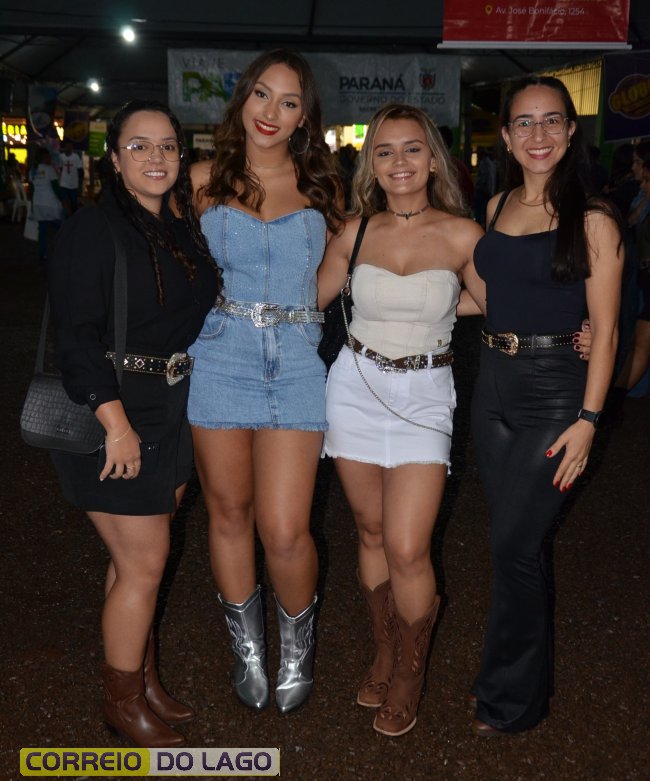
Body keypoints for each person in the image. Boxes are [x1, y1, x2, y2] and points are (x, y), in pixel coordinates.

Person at [47, 100, 222, 746]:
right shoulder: (94, 229)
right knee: (146, 561)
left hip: (169, 405)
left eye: (168, 146)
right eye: (139, 146)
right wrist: (115, 423)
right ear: (114, 160)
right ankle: (122, 701)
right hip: (113, 409)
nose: (156, 157)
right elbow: (76, 337)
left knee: (132, 562)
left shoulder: (177, 227)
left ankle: (140, 681)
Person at [317, 103, 487, 737]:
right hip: (354, 387)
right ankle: (385, 652)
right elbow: (306, 300)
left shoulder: (464, 234)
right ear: (372, 164)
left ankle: (410, 673)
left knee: (408, 546)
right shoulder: (353, 232)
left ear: (433, 158)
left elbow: (502, 303)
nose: (399, 162)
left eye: (412, 148)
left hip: (424, 395)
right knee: (369, 531)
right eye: (384, 151)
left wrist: (583, 330)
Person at [185, 50, 343, 714]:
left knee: (284, 528)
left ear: (305, 117)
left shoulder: (325, 188)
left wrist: (300, 315)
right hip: (220, 358)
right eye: (261, 94)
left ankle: (298, 645)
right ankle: (248, 648)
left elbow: (338, 271)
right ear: (243, 98)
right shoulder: (201, 180)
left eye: (288, 101)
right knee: (228, 513)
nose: (271, 112)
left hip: (297, 366)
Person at [468, 76, 623, 736]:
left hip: (556, 392)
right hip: (491, 386)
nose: (538, 134)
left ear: (570, 131)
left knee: (514, 545)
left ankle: (510, 700)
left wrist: (588, 420)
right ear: (505, 136)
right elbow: (486, 297)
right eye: (524, 123)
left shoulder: (594, 218)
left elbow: (606, 331)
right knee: (515, 544)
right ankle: (518, 687)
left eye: (551, 120)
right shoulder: (496, 204)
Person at [607, 152, 650, 414]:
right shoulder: (643, 202)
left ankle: (611, 404)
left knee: (641, 343)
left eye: (647, 180)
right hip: (643, 280)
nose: (642, 185)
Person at [29, 146, 63, 262]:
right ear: (44, 157)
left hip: (38, 204)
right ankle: (61, 250)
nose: (50, 158)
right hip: (50, 204)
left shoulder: (32, 171)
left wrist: (32, 204)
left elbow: (32, 189)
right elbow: (56, 188)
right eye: (48, 156)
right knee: (62, 227)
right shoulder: (49, 169)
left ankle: (43, 254)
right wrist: (64, 201)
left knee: (42, 231)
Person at [58, 139, 84, 215]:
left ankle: (74, 217)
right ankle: (66, 217)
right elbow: (60, 168)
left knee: (74, 203)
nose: (69, 148)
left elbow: (80, 170)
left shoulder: (76, 157)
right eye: (67, 146)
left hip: (73, 184)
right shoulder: (61, 157)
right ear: (64, 147)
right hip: (63, 183)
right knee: (65, 202)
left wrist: (80, 181)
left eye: (70, 146)